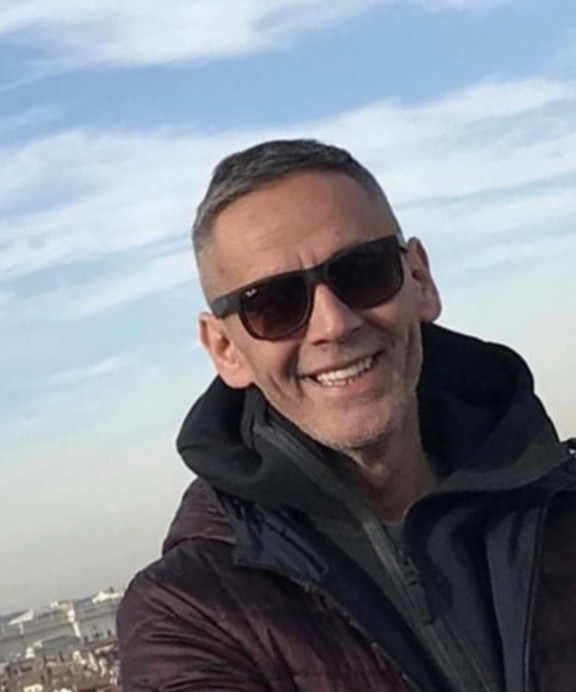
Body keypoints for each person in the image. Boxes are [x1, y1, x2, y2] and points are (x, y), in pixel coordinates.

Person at [117, 139, 576, 692]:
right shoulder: (190, 614)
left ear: (420, 280)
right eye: (273, 303)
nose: (334, 323)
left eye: (363, 271)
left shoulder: (560, 502)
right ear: (226, 349)